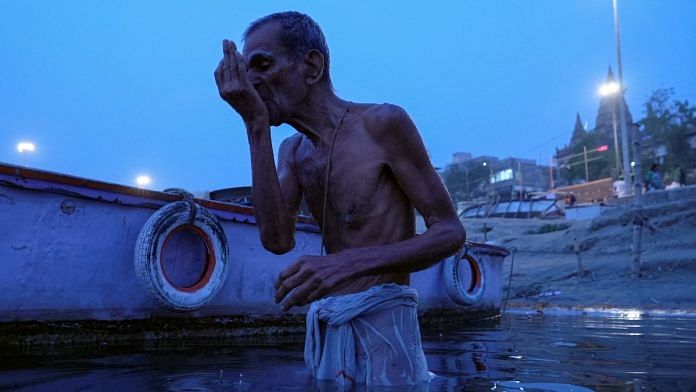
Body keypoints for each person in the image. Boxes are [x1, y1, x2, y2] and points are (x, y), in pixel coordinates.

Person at [214, 11, 465, 388]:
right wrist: (255, 126)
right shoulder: (293, 152)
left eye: (262, 64)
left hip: (386, 325)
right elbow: (277, 240)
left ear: (312, 65)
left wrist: (347, 263)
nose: (250, 82)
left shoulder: (383, 124)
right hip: (329, 324)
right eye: (246, 71)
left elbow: (450, 231)